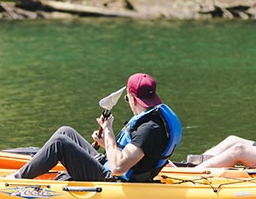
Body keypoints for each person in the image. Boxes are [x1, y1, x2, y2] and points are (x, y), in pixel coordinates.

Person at [11, 73, 182, 182]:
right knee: (66, 132)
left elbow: (117, 169)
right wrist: (105, 143)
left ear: (132, 98)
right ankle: (29, 171)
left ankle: (15, 180)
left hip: (112, 180)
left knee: (59, 143)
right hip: (110, 167)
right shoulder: (152, 120)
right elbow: (135, 156)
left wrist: (107, 130)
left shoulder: (149, 129)